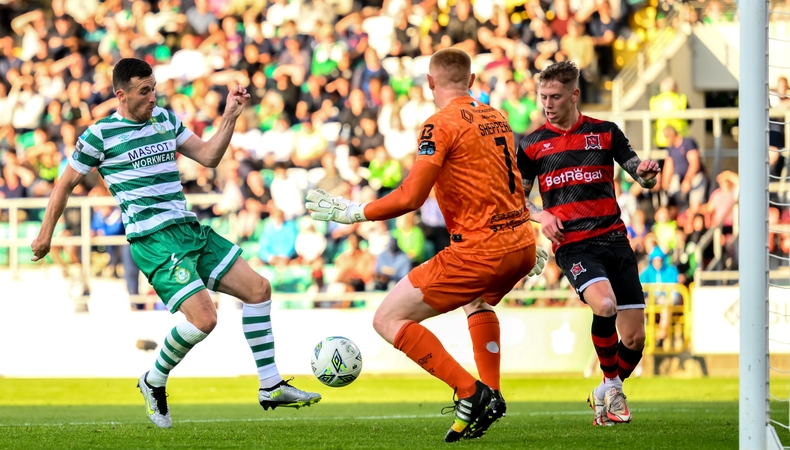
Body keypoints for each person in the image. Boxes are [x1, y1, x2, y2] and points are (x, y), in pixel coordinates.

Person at [30, 58, 320, 429]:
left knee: (259, 289)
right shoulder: (99, 135)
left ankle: (270, 385)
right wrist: (45, 234)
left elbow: (210, 156)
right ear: (121, 95)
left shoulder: (165, 119)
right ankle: (153, 380)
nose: (153, 97)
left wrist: (230, 116)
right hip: (153, 239)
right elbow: (64, 184)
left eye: (154, 88)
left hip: (188, 228)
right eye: (144, 91)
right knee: (205, 318)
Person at [305, 48, 547, 442]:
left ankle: (471, 392)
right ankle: (493, 394)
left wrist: (354, 211)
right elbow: (511, 181)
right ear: (471, 82)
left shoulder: (439, 124)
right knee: (478, 301)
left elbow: (410, 198)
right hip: (519, 243)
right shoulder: (496, 117)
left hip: (480, 250)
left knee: (388, 320)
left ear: (430, 83)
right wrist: (523, 232)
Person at [516, 61, 661, 427]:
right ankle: (613, 389)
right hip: (574, 245)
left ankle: (603, 391)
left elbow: (638, 174)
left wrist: (645, 176)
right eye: (543, 96)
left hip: (615, 239)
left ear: (574, 95)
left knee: (635, 338)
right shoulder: (532, 145)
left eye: (555, 96)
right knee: (605, 304)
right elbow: (516, 198)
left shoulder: (605, 132)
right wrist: (542, 216)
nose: (547, 103)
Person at [659, 125, 707, 213]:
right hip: (679, 179)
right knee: (672, 200)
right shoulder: (671, 149)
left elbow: (695, 163)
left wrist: (688, 180)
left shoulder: (688, 143)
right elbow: (668, 166)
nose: (667, 140)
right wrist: (665, 185)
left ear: (672, 134)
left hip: (694, 177)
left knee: (695, 205)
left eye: (667, 137)